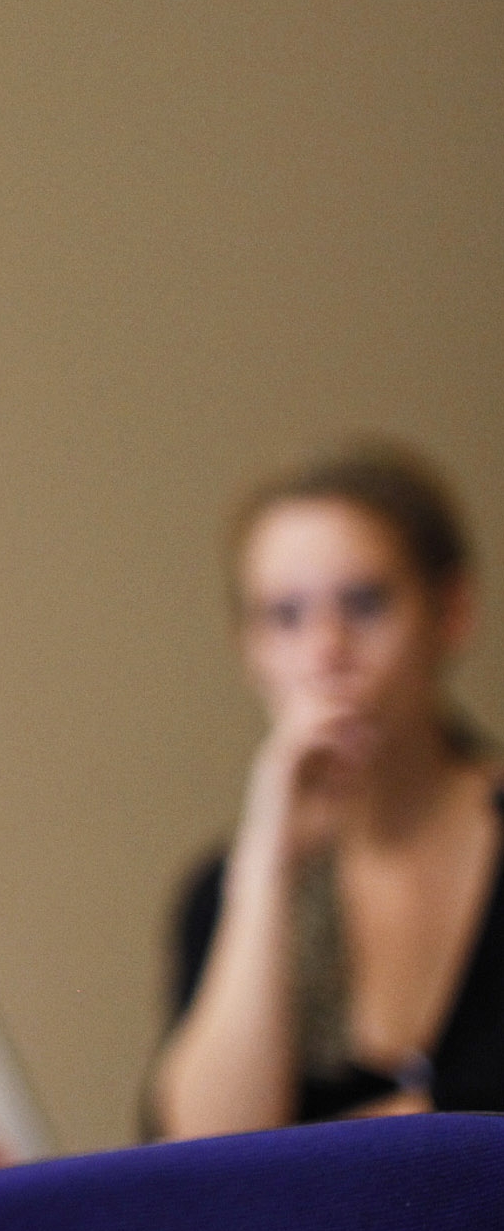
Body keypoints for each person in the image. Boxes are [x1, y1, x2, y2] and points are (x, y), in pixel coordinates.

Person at [151, 440, 494, 1138]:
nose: (325, 650)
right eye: (285, 616)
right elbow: (205, 1158)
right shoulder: (223, 892)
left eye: (364, 604)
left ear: (450, 612)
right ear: (249, 649)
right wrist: (267, 862)